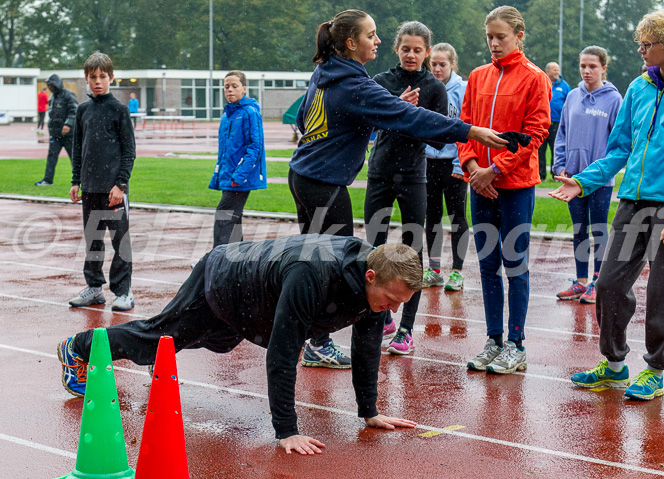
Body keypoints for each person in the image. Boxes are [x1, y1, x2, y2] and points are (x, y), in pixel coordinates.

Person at [57, 236, 421, 455]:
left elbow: (368, 346)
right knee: (159, 337)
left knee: (217, 341)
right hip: (225, 278)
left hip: (255, 300)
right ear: (370, 276)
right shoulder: (312, 275)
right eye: (390, 299)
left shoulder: (378, 283)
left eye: (399, 303)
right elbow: (283, 352)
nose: (392, 309)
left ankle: (167, 352)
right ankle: (78, 346)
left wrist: (369, 410)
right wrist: (287, 430)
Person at [288, 9, 507, 368]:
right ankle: (321, 339)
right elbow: (412, 118)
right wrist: (469, 131)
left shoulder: (327, 72)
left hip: (305, 176)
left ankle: (314, 335)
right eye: (371, 35)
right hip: (324, 183)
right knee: (338, 266)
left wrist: (371, 117)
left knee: (317, 261)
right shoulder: (355, 83)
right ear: (350, 43)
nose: (376, 40)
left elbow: (302, 119)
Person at [551, 8, 664, 400]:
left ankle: (655, 371)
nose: (641, 50)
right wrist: (582, 181)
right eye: (639, 43)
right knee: (608, 284)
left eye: (648, 43)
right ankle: (613, 365)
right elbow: (619, 150)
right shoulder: (640, 88)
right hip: (632, 203)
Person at [461, 6, 551, 374]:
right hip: (478, 184)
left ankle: (516, 343)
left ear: (519, 36)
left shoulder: (535, 78)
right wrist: (471, 168)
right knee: (486, 266)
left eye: (501, 37)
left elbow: (536, 133)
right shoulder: (478, 76)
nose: (494, 44)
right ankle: (493, 340)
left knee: (515, 265)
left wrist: (495, 170)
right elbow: (463, 126)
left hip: (514, 187)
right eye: (489, 38)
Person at [364, 21, 448, 355]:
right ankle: (377, 316)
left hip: (414, 176)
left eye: (418, 50)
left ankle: (406, 329)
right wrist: (397, 107)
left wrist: (416, 115)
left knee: (413, 252)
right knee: (373, 247)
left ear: (427, 52)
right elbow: (367, 123)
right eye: (406, 49)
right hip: (381, 174)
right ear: (396, 48)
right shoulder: (381, 82)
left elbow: (439, 138)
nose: (411, 55)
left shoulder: (434, 88)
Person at [552, 46, 623, 304]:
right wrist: (559, 165)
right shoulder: (572, 96)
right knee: (579, 230)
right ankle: (581, 282)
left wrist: (604, 169)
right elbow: (562, 134)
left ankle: (597, 282)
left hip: (600, 180)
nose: (586, 71)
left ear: (604, 67)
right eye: (583, 66)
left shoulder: (614, 99)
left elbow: (619, 141)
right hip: (572, 178)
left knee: (598, 229)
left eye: (592, 66)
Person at [68, 52, 137, 312]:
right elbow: (78, 148)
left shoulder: (119, 110)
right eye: (93, 77)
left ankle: (123, 291)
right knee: (93, 240)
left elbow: (129, 151)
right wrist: (76, 180)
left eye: (103, 77)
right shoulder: (82, 110)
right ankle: (95, 288)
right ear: (86, 79)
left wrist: (121, 185)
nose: (98, 81)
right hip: (90, 189)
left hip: (113, 191)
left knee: (121, 242)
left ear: (111, 78)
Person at [423, 42, 470, 294]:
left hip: (454, 165)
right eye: (434, 64)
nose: (438, 69)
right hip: (428, 164)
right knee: (431, 216)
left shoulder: (462, 89)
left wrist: (459, 163)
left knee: (456, 217)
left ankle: (458, 270)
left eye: (443, 64)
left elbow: (467, 128)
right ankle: (434, 269)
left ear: (453, 64)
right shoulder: (426, 88)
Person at [209, 70, 267, 248]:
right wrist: (218, 175)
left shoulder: (250, 113)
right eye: (226, 87)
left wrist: (239, 175)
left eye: (234, 86)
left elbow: (255, 147)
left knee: (224, 217)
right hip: (228, 176)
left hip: (240, 178)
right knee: (233, 221)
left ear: (244, 89)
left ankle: (216, 262)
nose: (230, 90)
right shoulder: (227, 116)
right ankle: (236, 263)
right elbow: (224, 152)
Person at [35, 74, 78, 186]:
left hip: (68, 135)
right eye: (48, 85)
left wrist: (68, 124)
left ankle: (82, 181)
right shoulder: (52, 97)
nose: (49, 87)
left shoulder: (68, 95)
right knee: (51, 157)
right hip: (55, 135)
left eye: (51, 85)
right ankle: (48, 180)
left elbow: (74, 111)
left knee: (75, 159)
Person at [537, 62, 571, 180]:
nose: (557, 72)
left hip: (557, 123)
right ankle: (541, 175)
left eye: (558, 70)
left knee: (556, 149)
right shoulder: (542, 83)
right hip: (542, 123)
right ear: (547, 71)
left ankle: (556, 175)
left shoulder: (564, 86)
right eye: (554, 70)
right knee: (540, 150)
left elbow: (570, 103)